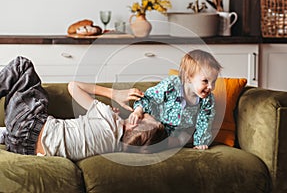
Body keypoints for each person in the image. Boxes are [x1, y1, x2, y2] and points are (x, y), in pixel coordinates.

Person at [0, 56, 167, 161]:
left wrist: (114, 94)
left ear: (134, 122)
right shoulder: (112, 149)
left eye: (144, 115)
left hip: (28, 127)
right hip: (23, 150)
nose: (141, 112)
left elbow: (74, 87)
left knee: (22, 66)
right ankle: (5, 134)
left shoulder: (108, 118)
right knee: (41, 103)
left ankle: (8, 131)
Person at [128, 49, 222, 150]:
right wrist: (138, 111)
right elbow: (149, 97)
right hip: (155, 122)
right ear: (188, 78)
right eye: (205, 81)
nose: (211, 87)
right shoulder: (171, 85)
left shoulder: (207, 100)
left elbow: (205, 122)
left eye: (214, 82)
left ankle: (180, 140)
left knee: (171, 140)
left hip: (177, 131)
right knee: (145, 140)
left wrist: (200, 143)